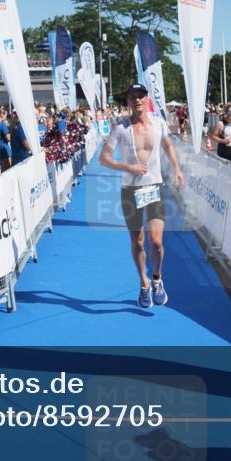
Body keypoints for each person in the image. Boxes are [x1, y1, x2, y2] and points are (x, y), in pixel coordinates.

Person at [99, 84, 184, 309]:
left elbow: (168, 146)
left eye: (140, 96)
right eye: (132, 97)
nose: (137, 100)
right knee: (137, 241)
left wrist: (176, 168)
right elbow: (103, 158)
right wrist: (128, 167)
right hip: (131, 190)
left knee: (156, 243)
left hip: (154, 187)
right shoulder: (120, 128)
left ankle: (157, 278)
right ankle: (144, 284)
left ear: (147, 99)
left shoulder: (159, 124)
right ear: (128, 101)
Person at [0, 106, 13, 171]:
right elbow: (8, 138)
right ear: (2, 114)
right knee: (7, 170)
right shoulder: (2, 124)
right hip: (5, 149)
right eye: (6, 114)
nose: (6, 116)